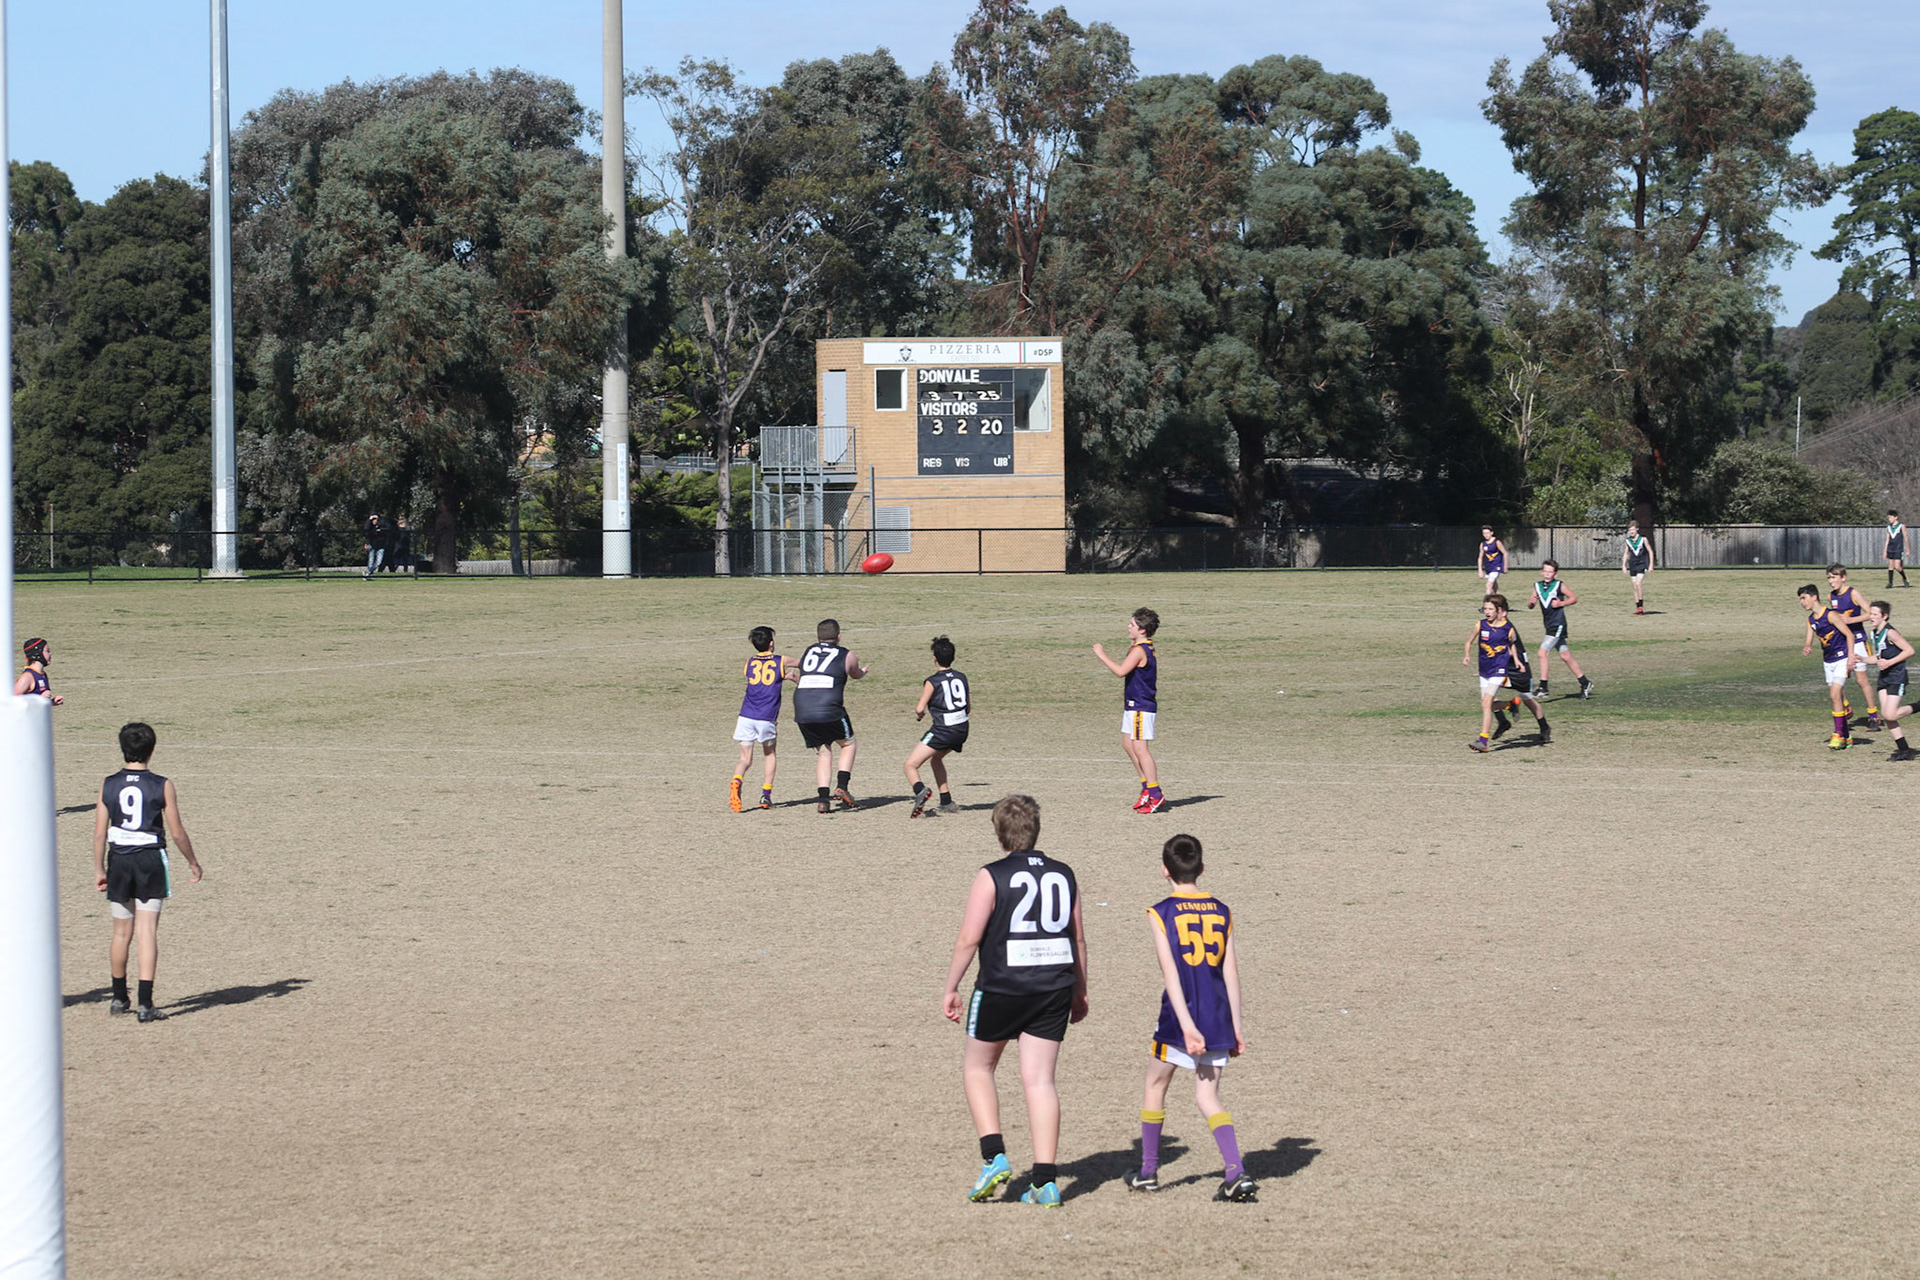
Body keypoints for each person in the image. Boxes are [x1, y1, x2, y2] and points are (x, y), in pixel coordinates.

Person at [942, 795, 1088, 1208]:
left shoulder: (991, 875)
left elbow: (969, 938)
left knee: (978, 1068)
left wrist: (951, 985)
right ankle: (1045, 1180)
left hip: (1002, 986)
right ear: (1036, 830)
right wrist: (1080, 989)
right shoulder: (1064, 874)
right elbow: (1077, 938)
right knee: (1040, 1081)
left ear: (998, 834)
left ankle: (994, 1156)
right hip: (1054, 986)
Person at [1126, 833, 1257, 1202]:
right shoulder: (1222, 911)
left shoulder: (1160, 913)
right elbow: (1231, 972)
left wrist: (1185, 1026)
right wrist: (1236, 1026)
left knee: (1155, 1085)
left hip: (1179, 1016)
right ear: (1202, 868)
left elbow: (1171, 974)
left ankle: (1148, 1171)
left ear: (1164, 870)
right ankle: (1236, 1172)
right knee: (1207, 1096)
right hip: (1217, 1016)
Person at [92, 722, 203, 1023]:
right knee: (146, 931)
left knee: (121, 932)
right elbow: (177, 831)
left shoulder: (108, 784)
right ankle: (145, 1004)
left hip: (119, 859)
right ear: (152, 750)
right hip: (150, 859)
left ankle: (118, 998)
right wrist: (192, 861)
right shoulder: (162, 784)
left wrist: (99, 868)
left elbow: (100, 832)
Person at [1093, 607, 1166, 813]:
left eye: (1132, 624)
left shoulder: (1139, 651)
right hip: (1133, 704)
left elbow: (1121, 671)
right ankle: (1146, 787)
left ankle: (1155, 794)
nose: (1128, 627)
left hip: (1141, 706)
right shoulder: (1140, 646)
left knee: (1141, 749)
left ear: (1142, 629)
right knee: (1128, 745)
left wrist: (1102, 655)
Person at [793, 618, 870, 813]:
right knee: (848, 743)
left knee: (824, 752)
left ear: (817, 636)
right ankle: (842, 786)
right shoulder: (847, 654)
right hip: (829, 708)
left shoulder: (808, 651)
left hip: (803, 708)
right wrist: (863, 672)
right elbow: (855, 674)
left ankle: (823, 800)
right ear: (839, 636)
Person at [1465, 595, 1549, 751]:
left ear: (1503, 612)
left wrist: (1516, 661)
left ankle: (1544, 727)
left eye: (1492, 609)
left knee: (1526, 698)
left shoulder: (1506, 628)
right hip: (1497, 667)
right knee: (1487, 699)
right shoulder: (1487, 624)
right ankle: (1503, 719)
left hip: (1516, 668)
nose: (1488, 612)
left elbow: (1511, 648)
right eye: (1485, 609)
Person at [906, 635, 969, 818]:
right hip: (962, 729)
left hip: (943, 731)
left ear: (935, 658)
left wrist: (920, 715)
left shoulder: (932, 681)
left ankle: (920, 791)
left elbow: (919, 708)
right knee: (936, 759)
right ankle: (946, 801)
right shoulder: (961, 677)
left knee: (910, 765)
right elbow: (968, 707)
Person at [732, 626, 792, 812]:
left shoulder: (749, 662)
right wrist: (787, 675)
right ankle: (766, 795)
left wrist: (782, 677)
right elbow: (803, 663)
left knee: (745, 758)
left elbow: (760, 679)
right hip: (766, 717)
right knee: (769, 754)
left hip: (746, 715)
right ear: (771, 643)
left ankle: (736, 780)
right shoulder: (781, 660)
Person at [1800, 584, 1857, 751]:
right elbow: (1809, 637)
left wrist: (1851, 657)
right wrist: (1807, 647)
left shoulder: (1831, 615)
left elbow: (1849, 635)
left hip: (1841, 659)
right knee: (1837, 698)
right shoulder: (1811, 620)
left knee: (1834, 695)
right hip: (1828, 662)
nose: (1802, 602)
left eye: (1804, 598)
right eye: (1800, 599)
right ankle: (1847, 737)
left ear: (1814, 597)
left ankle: (1838, 735)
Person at [1526, 560, 1593, 700]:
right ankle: (1585, 683)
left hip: (1558, 624)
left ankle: (1543, 687)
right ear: (1541, 572)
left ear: (1555, 574)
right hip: (1548, 625)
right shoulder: (1537, 586)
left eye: (1550, 572)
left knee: (1542, 653)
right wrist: (1531, 603)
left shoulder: (1559, 585)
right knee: (1565, 656)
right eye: (1545, 571)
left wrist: (1561, 603)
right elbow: (1531, 604)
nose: (1547, 574)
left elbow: (1574, 598)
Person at [1827, 565, 1882, 730]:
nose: (1831, 581)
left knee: (1861, 680)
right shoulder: (1831, 596)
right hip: (1842, 643)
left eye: (1834, 577)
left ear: (1843, 578)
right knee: (1837, 680)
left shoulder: (1853, 593)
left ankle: (1873, 715)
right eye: (1829, 578)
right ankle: (1845, 707)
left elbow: (1870, 613)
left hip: (1858, 641)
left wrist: (1852, 620)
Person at [1864, 601, 1917, 761]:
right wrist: (1862, 659)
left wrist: (1889, 663)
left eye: (1874, 614)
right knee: (1887, 716)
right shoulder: (1874, 633)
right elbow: (1878, 657)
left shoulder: (1890, 633)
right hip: (1884, 677)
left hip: (1896, 676)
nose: (1871, 617)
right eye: (1870, 614)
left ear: (1884, 616)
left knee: (1890, 714)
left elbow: (1910, 651)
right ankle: (1905, 750)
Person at [14, 637, 64, 706]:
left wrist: (51, 702)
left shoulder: (42, 674)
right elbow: (13, 702)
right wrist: (39, 699)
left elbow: (38, 705)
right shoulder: (27, 676)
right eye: (47, 651)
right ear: (38, 654)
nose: (50, 654)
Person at [1620, 521, 1653, 614]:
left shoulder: (1643, 539)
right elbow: (1626, 553)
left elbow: (1650, 551)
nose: (1631, 531)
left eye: (1633, 529)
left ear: (1637, 529)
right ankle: (1638, 608)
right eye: (1630, 530)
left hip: (1642, 564)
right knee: (1635, 586)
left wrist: (1651, 564)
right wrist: (1624, 565)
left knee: (1638, 584)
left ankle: (1641, 606)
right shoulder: (1628, 541)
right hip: (1633, 564)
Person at [1477, 526, 1508, 595]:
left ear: (1492, 533)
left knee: (1488, 584)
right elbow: (1480, 557)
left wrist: (1505, 567)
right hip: (1488, 566)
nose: (1486, 535)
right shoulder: (1482, 544)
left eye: (1487, 533)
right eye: (1484, 533)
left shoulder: (1497, 542)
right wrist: (1480, 570)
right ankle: (1498, 598)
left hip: (1496, 566)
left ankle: (1487, 599)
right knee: (1494, 586)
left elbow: (1505, 553)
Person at [1886, 511, 1909, 589]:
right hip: (1890, 548)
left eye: (1890, 517)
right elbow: (1887, 539)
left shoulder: (1901, 526)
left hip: (1898, 549)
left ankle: (1905, 579)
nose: (1889, 519)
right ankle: (1890, 583)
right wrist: (1885, 550)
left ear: (1895, 517)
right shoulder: (1889, 527)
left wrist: (1908, 549)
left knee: (1897, 567)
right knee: (1890, 566)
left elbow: (1906, 537)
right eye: (1888, 518)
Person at [363, 510, 385, 578]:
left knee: (379, 562)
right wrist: (369, 520)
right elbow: (366, 530)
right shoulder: (369, 526)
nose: (374, 521)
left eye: (375, 519)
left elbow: (387, 529)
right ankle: (369, 575)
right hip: (372, 544)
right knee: (371, 561)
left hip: (381, 545)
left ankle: (368, 572)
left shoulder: (381, 525)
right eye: (373, 519)